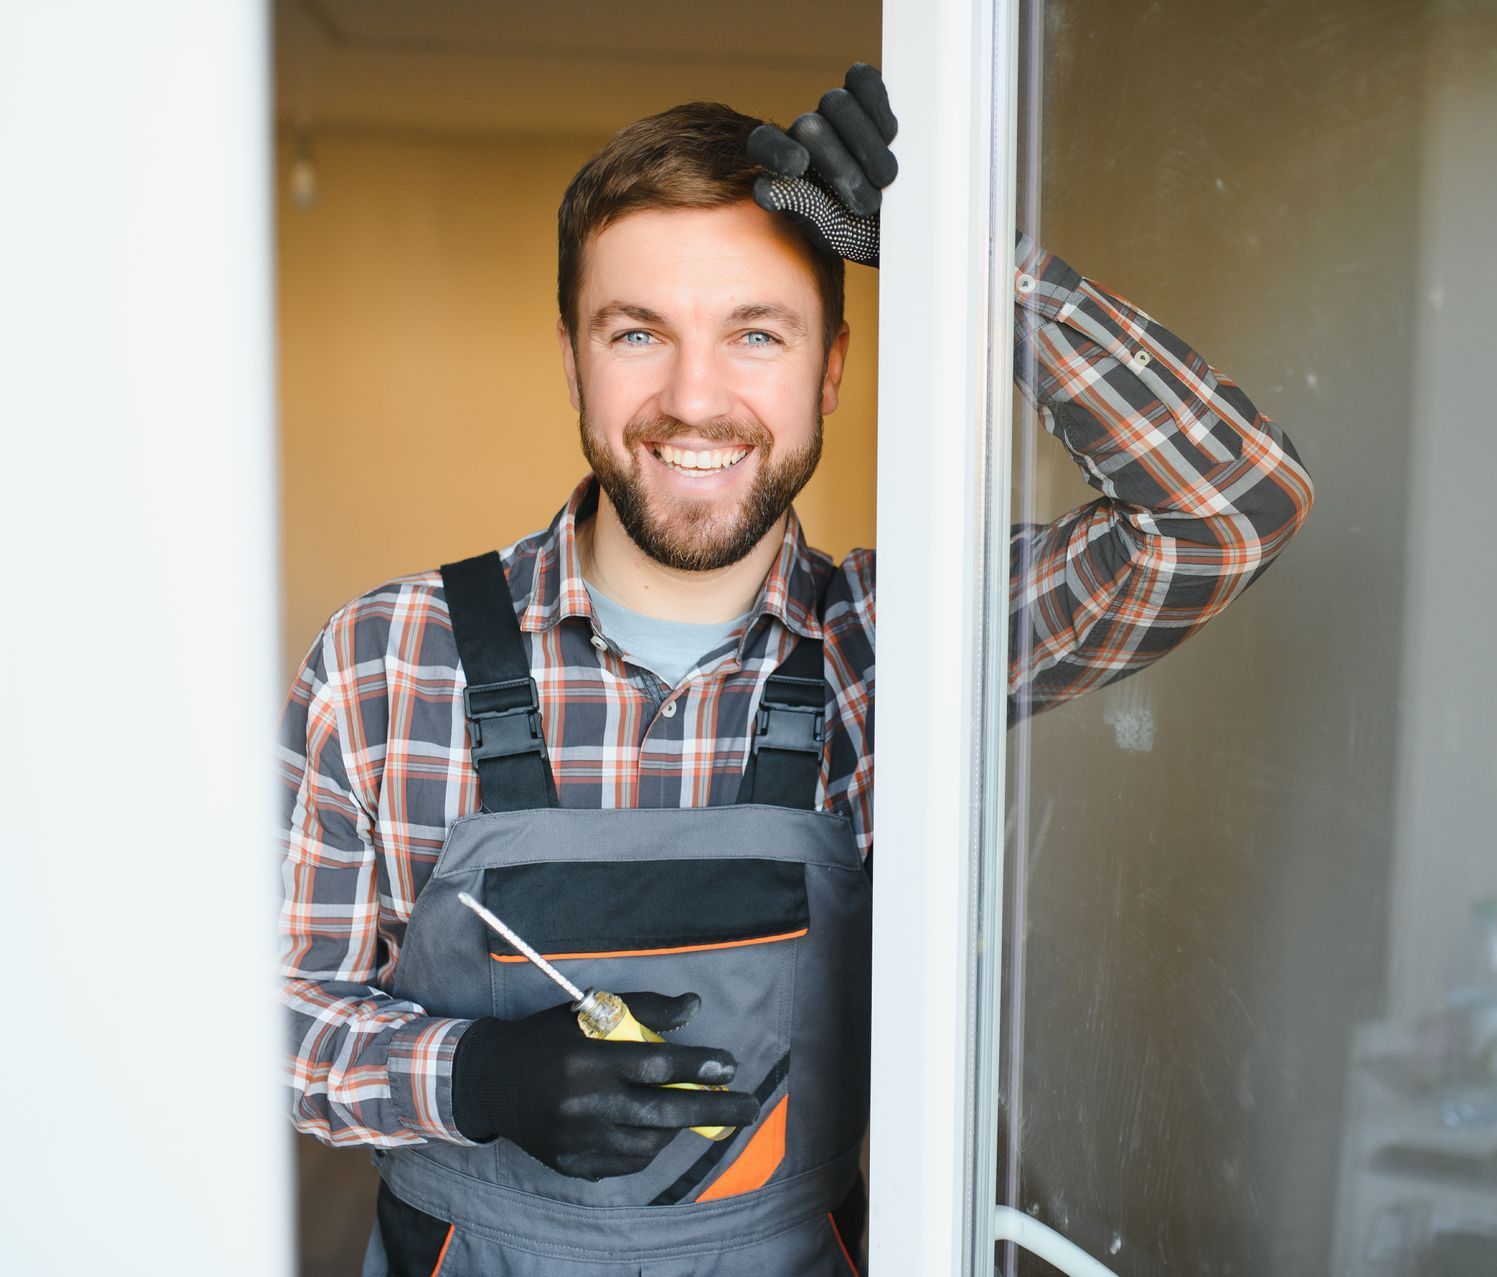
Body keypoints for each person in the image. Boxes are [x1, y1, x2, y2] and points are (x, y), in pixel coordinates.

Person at [277, 65, 1313, 1276]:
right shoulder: (385, 660)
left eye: (756, 333)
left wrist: (973, 259)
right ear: (572, 359)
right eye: (638, 333)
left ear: (831, 370)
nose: (695, 398)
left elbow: (1233, 509)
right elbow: (269, 1023)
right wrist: (470, 1071)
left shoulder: (904, 645)